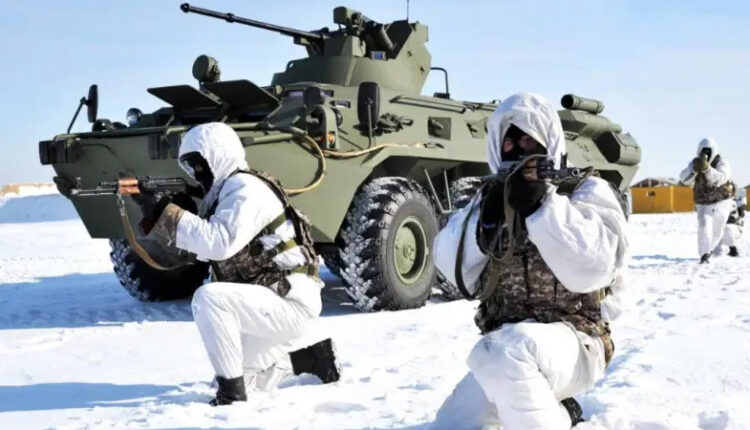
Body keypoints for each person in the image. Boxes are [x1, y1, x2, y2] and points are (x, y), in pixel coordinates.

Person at [431, 93, 629, 430]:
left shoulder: (583, 191)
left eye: (528, 141)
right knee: (451, 424)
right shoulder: (490, 196)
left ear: (547, 142)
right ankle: (562, 414)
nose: (519, 150)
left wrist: (543, 206)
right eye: (510, 142)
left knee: (506, 352)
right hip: (507, 348)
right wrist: (485, 221)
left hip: (577, 342)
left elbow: (593, 268)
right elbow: (451, 268)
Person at [135, 122, 339, 406]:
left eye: (199, 164)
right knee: (244, 376)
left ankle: (231, 396)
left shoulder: (244, 188)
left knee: (209, 298)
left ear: (218, 155)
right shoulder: (224, 195)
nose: (196, 172)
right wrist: (161, 213)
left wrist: (166, 212)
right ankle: (313, 359)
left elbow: (219, 243)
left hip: (288, 301)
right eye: (191, 166)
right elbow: (203, 252)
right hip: (270, 300)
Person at [679, 137, 735, 264]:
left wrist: (707, 169)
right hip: (704, 203)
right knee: (704, 227)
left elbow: (722, 178)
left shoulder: (722, 162)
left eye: (708, 151)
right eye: (703, 151)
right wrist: (693, 170)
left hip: (722, 202)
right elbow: (683, 179)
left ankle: (710, 250)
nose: (706, 154)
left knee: (717, 232)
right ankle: (704, 255)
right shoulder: (695, 163)